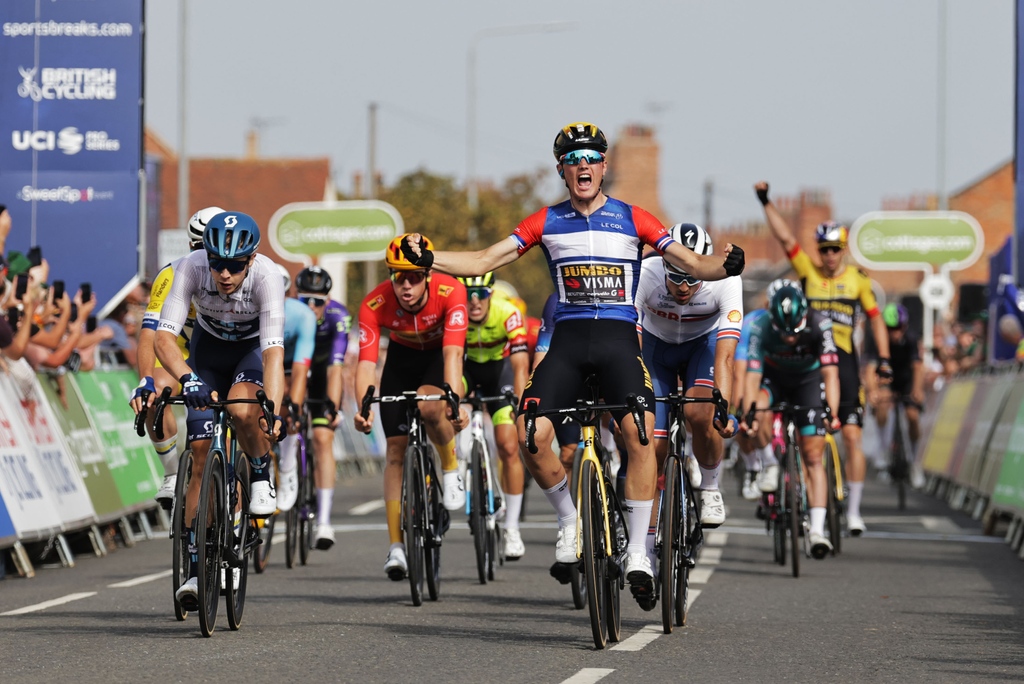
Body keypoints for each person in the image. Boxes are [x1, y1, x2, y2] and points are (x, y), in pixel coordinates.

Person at [398, 121, 745, 609]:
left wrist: (726, 265)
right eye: (573, 158)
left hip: (620, 342)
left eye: (591, 157)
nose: (583, 164)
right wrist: (430, 258)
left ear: (604, 167)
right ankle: (569, 520)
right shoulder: (545, 220)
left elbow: (695, 265)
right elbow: (481, 261)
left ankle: (641, 554)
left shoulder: (634, 218)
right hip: (568, 343)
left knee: (642, 434)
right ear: (562, 170)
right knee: (530, 434)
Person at [155, 210, 285, 608]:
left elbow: (274, 354)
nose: (224, 274)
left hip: (248, 353)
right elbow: (164, 339)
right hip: (207, 355)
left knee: (246, 412)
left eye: (233, 266)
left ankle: (260, 473)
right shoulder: (191, 267)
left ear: (250, 260)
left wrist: (273, 412)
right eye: (217, 264)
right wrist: (188, 379)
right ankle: (195, 569)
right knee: (198, 453)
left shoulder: (267, 277)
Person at [755, 181, 890, 537]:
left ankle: (855, 512)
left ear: (843, 249)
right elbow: (785, 239)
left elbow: (876, 319)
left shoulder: (858, 281)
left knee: (852, 437)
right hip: (809, 360)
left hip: (844, 361)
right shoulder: (809, 273)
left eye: (835, 249)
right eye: (824, 249)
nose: (829, 255)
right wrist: (766, 201)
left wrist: (885, 358)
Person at [353, 236, 469, 580]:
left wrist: (453, 400)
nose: (406, 285)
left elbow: (453, 354)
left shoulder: (451, 292)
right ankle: (396, 547)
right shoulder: (375, 303)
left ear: (427, 276)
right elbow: (365, 364)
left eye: (414, 277)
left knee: (429, 405)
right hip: (401, 361)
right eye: (398, 277)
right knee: (395, 451)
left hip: (438, 357)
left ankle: (449, 467)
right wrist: (364, 406)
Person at [634, 223, 741, 554]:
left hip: (702, 347)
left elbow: (724, 359)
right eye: (676, 276)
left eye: (692, 277)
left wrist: (723, 411)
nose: (683, 286)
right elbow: (631, 346)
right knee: (652, 446)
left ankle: (710, 487)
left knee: (700, 411)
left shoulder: (726, 280)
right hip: (656, 348)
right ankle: (648, 545)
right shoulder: (644, 273)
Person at [738, 280, 842, 558]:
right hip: (774, 379)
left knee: (812, 455)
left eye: (794, 332)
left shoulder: (821, 324)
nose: (789, 338)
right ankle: (769, 463)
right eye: (783, 333)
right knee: (757, 410)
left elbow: (831, 374)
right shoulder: (760, 327)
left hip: (808, 380)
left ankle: (818, 531)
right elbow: (752, 375)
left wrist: (832, 412)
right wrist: (748, 413)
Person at [131, 206, 223, 508]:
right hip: (180, 353)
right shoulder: (172, 275)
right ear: (189, 247)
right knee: (154, 395)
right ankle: (171, 473)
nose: (205, 256)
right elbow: (149, 332)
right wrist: (145, 379)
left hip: (219, 354)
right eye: (199, 248)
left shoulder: (232, 274)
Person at [457, 272, 530, 559]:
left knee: (508, 445)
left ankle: (512, 529)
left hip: (499, 374)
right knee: (444, 400)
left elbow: (520, 363)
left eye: (481, 295)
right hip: (467, 369)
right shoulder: (455, 313)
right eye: (468, 296)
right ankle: (456, 462)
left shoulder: (507, 312)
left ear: (491, 294)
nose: (474, 302)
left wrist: (523, 405)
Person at [293, 265, 351, 550]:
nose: (313, 306)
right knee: (283, 423)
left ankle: (324, 521)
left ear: (328, 301)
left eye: (318, 301)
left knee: (322, 438)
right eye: (306, 301)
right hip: (295, 370)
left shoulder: (339, 317)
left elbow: (336, 369)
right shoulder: (288, 314)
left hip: (323, 373)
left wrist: (333, 406)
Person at [273, 264, 318, 517]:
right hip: (267, 361)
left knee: (290, 406)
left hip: (293, 365)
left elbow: (300, 371)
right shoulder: (250, 311)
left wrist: (295, 406)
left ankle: (288, 467)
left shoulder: (302, 315)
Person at [864, 303, 925, 488]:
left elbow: (917, 366)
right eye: (891, 329)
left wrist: (917, 389)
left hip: (905, 378)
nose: (895, 333)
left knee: (912, 416)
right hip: (887, 379)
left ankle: (914, 462)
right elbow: (870, 369)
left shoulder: (911, 338)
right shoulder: (877, 339)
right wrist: (873, 391)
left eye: (898, 329)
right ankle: (883, 452)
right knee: (882, 407)